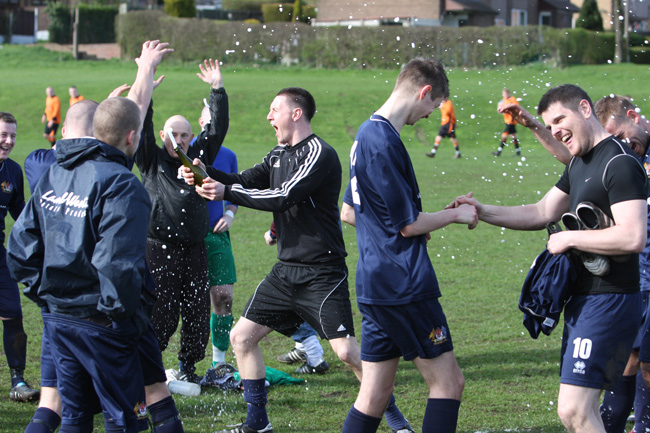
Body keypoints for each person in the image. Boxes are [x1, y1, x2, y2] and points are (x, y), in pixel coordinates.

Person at [181, 87, 411, 433]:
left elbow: (283, 196)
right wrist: (205, 172)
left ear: (296, 113)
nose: (268, 117)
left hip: (322, 272)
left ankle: (395, 419)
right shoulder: (277, 154)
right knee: (242, 338)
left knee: (347, 353)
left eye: (275, 110)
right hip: (285, 271)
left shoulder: (320, 154)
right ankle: (258, 423)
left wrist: (226, 192)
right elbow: (243, 180)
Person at [449, 84, 647, 433]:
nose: (555, 130)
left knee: (574, 410)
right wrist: (483, 210)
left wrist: (568, 237)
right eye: (550, 124)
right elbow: (541, 211)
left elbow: (633, 236)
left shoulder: (620, 162)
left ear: (584, 109)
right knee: (580, 412)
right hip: (584, 299)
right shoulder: (580, 163)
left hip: (611, 298)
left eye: (559, 119)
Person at [7, 39, 174, 433]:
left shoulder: (53, 171)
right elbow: (117, 263)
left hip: (60, 316)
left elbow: (19, 250)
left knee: (73, 412)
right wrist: (118, 318)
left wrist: (48, 297)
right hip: (103, 319)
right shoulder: (119, 182)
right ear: (129, 138)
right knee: (126, 416)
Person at [339, 58, 477, 433]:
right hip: (403, 284)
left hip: (375, 284)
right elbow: (408, 225)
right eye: (434, 105)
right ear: (424, 91)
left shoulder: (366, 133)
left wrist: (421, 220)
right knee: (449, 383)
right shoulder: (383, 142)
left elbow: (350, 213)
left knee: (374, 394)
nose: (432, 114)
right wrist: (455, 215)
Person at [136, 58, 228, 383]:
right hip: (158, 249)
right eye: (173, 134)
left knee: (197, 311)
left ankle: (188, 368)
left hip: (194, 249)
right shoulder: (151, 159)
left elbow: (216, 130)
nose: (179, 140)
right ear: (163, 135)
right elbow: (141, 126)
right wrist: (146, 90)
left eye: (185, 135)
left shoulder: (197, 158)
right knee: (161, 311)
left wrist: (217, 90)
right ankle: (148, 369)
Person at [193, 103, 239, 368]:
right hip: (188, 238)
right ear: (201, 123)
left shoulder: (229, 155)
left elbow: (235, 192)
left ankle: (218, 363)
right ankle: (187, 365)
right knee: (191, 302)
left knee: (223, 297)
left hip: (216, 235)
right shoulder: (186, 152)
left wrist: (230, 213)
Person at [0, 112, 40, 404]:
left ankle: (18, 382)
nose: (8, 141)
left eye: (12, 135)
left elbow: (21, 214)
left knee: (13, 312)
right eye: (3, 134)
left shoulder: (12, 171)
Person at [263, 222, 330, 374]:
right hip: (321, 245)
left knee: (289, 298)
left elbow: (291, 210)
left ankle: (314, 355)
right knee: (298, 295)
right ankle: (303, 348)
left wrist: (274, 232)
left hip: (304, 248)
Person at [492, 88, 521, 157]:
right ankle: (518, 151)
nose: (505, 95)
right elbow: (500, 107)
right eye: (504, 94)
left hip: (511, 120)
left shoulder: (512, 99)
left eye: (506, 93)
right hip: (507, 120)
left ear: (508, 93)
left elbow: (516, 107)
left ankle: (499, 152)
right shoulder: (503, 100)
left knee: (504, 135)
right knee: (513, 136)